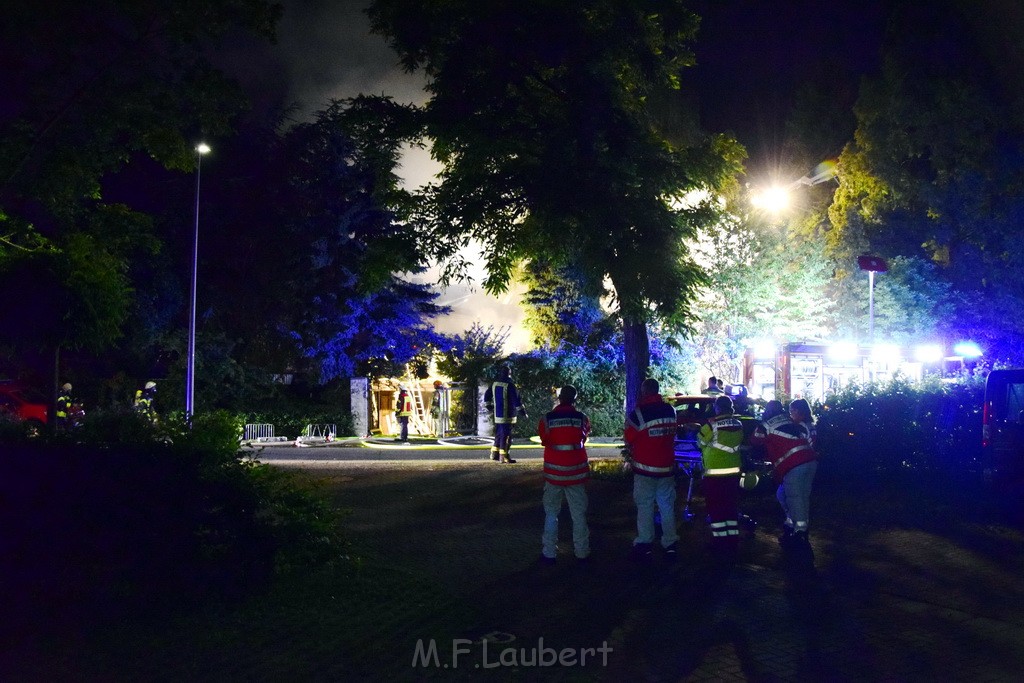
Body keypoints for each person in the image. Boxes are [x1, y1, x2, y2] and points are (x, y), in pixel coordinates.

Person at [624, 378, 680, 562]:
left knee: (645, 506)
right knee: (667, 506)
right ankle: (670, 543)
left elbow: (629, 438)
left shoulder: (638, 414)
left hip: (645, 470)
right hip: (666, 468)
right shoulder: (670, 411)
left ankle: (645, 543)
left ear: (644, 391)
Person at [750, 400, 818, 548]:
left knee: (794, 497)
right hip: (810, 461)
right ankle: (791, 522)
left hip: (794, 464)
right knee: (793, 495)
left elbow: (755, 440)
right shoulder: (789, 419)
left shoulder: (767, 424)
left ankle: (800, 532)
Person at [537, 385, 591, 564]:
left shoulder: (547, 419)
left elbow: (544, 439)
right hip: (576, 474)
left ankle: (549, 553)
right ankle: (582, 553)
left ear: (559, 398)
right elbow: (583, 437)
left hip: (554, 474)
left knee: (551, 514)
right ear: (574, 399)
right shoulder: (581, 418)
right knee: (579, 515)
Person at [698, 395, 745, 555]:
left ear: (717, 408)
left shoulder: (712, 425)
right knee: (730, 507)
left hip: (714, 475)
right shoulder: (738, 423)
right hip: (733, 473)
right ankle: (732, 540)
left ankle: (720, 542)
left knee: (716, 509)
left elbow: (700, 441)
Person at [484, 365, 527, 464]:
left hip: (497, 415)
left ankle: (494, 454)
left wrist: (489, 406)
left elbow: (487, 395)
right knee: (506, 436)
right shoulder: (510, 385)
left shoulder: (495, 383)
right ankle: (504, 456)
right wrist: (523, 412)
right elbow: (516, 400)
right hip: (508, 415)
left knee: (499, 434)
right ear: (509, 373)